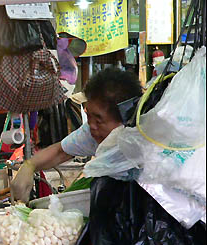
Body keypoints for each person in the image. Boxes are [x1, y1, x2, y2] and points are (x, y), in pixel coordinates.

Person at [11, 67, 143, 202]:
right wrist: (29, 166)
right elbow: (60, 151)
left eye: (98, 120)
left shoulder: (147, 138)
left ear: (125, 118)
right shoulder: (92, 131)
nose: (91, 125)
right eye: (88, 116)